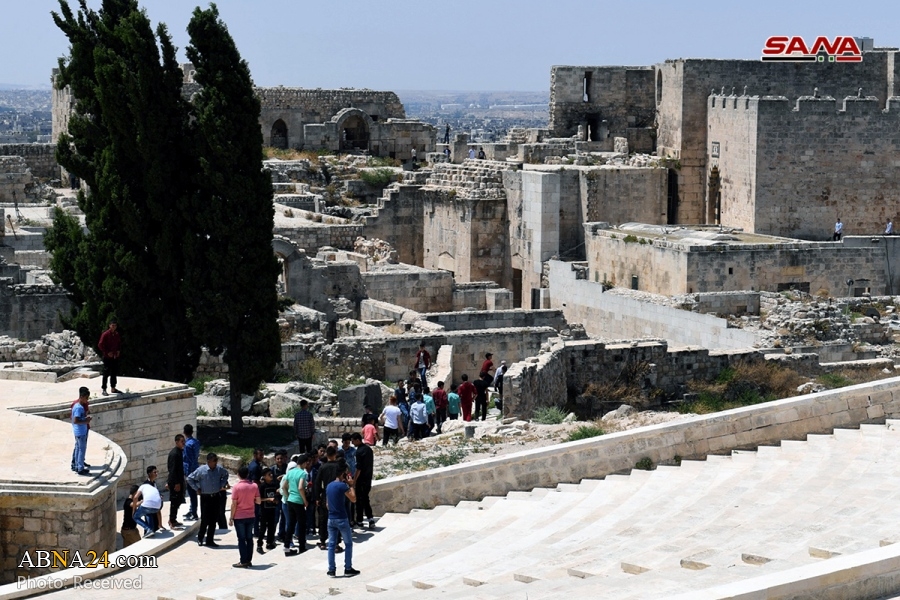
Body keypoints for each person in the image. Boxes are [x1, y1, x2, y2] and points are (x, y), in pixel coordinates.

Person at [187, 452, 229, 547]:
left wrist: (221, 484)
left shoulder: (219, 470)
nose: (215, 462)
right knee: (205, 519)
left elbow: (226, 474)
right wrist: (196, 488)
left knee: (213, 519)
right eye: (214, 461)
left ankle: (210, 540)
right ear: (209, 461)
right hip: (205, 497)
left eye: (216, 460)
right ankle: (201, 538)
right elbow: (190, 478)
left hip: (216, 496)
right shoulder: (201, 470)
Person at [326, 462, 360, 578]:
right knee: (348, 544)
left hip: (331, 519)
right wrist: (351, 485)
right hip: (341, 518)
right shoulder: (342, 486)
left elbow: (327, 505)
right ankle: (348, 568)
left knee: (331, 544)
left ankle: (331, 569)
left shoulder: (329, 486)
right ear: (343, 474)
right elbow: (354, 499)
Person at [230, 465, 260, 568]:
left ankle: (243, 561)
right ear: (247, 474)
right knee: (249, 538)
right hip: (251, 515)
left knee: (241, 539)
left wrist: (231, 517)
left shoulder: (236, 487)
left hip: (239, 517)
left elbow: (234, 504)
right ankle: (248, 560)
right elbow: (258, 501)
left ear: (238, 475)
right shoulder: (254, 486)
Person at [314, 446, 343, 551]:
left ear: (326, 455)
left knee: (323, 519)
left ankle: (322, 541)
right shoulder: (339, 466)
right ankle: (336, 543)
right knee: (337, 518)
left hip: (325, 496)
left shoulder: (322, 467)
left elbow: (317, 483)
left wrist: (317, 497)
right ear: (335, 454)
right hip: (337, 496)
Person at [282, 452, 309, 555]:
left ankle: (286, 547)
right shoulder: (302, 473)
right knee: (301, 524)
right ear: (304, 463)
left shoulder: (290, 472)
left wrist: (287, 496)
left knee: (291, 524)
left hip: (290, 500)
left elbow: (284, 486)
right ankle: (302, 546)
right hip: (298, 501)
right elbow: (301, 487)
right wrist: (305, 500)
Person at [351, 432, 375, 529]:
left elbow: (359, 468)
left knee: (359, 500)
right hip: (368, 479)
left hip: (361, 480)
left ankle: (360, 520)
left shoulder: (359, 452)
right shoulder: (369, 449)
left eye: (353, 441)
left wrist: (354, 480)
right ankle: (370, 519)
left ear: (357, 440)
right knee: (365, 498)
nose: (353, 443)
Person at [133, 466, 164, 538]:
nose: (156, 474)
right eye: (154, 472)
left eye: (157, 472)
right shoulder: (145, 484)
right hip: (148, 505)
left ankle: (150, 530)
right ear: (149, 474)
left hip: (152, 506)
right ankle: (149, 530)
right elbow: (138, 498)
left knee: (149, 516)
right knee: (146, 515)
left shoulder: (154, 483)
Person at [166, 434, 186, 530]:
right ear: (177, 442)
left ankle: (173, 519)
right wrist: (176, 483)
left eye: (184, 441)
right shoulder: (174, 454)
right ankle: (171, 520)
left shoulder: (179, 452)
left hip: (178, 480)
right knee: (174, 501)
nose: (183, 443)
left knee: (178, 500)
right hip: (175, 482)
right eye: (182, 441)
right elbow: (172, 469)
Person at [257, 467, 279, 553]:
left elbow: (275, 495)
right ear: (264, 476)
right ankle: (259, 544)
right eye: (269, 474)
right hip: (264, 510)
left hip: (272, 509)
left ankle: (269, 543)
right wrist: (268, 499)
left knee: (271, 527)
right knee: (262, 528)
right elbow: (258, 499)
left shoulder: (274, 485)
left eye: (271, 474)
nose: (271, 475)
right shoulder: (262, 486)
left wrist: (276, 500)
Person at [98, 318, 122, 396]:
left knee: (114, 372)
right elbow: (100, 345)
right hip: (107, 357)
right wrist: (107, 352)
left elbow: (118, 344)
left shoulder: (117, 334)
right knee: (106, 373)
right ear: (109, 326)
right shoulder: (105, 334)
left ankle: (113, 387)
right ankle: (104, 388)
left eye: (115, 325)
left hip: (115, 356)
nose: (114, 327)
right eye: (112, 325)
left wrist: (118, 350)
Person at [71, 386, 91, 475]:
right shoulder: (79, 407)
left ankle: (77, 466)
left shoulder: (77, 406)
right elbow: (76, 420)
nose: (87, 400)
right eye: (86, 398)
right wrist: (86, 421)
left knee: (78, 448)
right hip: (81, 432)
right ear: (82, 397)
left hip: (79, 431)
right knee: (81, 449)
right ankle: (80, 468)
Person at [182, 424, 200, 521]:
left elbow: (189, 460)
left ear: (184, 432)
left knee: (192, 492)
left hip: (190, 471)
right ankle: (191, 510)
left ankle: (194, 513)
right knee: (192, 492)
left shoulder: (187, 445)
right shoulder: (196, 442)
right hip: (195, 469)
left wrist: (188, 475)